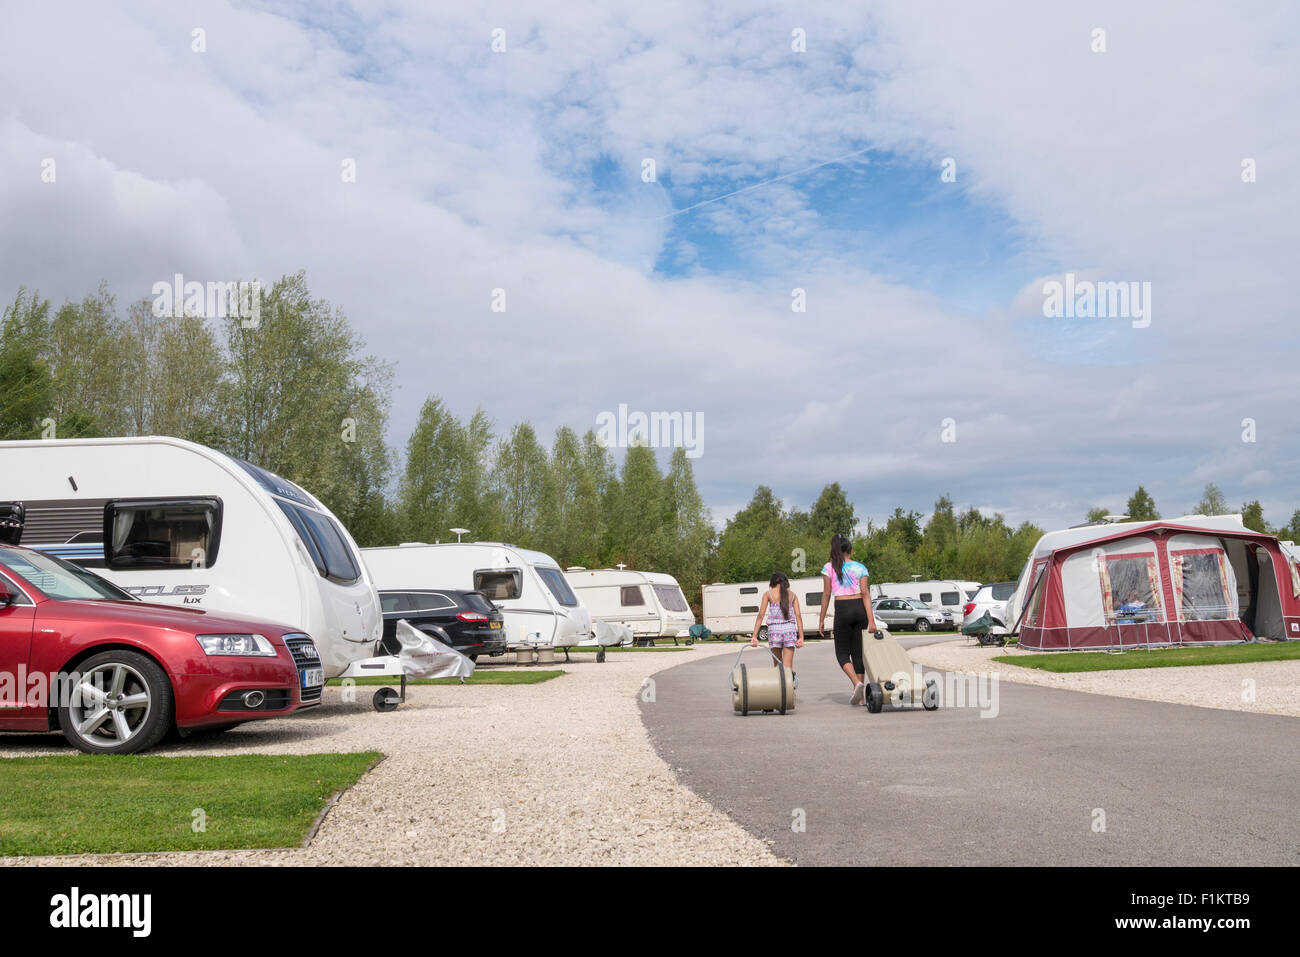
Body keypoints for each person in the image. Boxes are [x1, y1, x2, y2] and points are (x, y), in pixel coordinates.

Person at [818, 533, 879, 704]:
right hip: (860, 608)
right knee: (858, 654)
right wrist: (871, 620)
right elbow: (866, 593)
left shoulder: (828, 568)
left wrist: (821, 619)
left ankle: (857, 683)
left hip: (842, 609)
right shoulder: (860, 567)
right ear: (850, 550)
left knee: (842, 654)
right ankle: (860, 698)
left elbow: (826, 594)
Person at [751, 571, 803, 670]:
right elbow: (798, 616)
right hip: (789, 630)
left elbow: (760, 615)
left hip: (774, 631)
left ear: (772, 582)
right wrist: (801, 637)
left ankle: (780, 684)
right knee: (788, 667)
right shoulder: (793, 595)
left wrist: (754, 636)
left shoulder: (768, 594)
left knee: (777, 666)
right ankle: (789, 684)